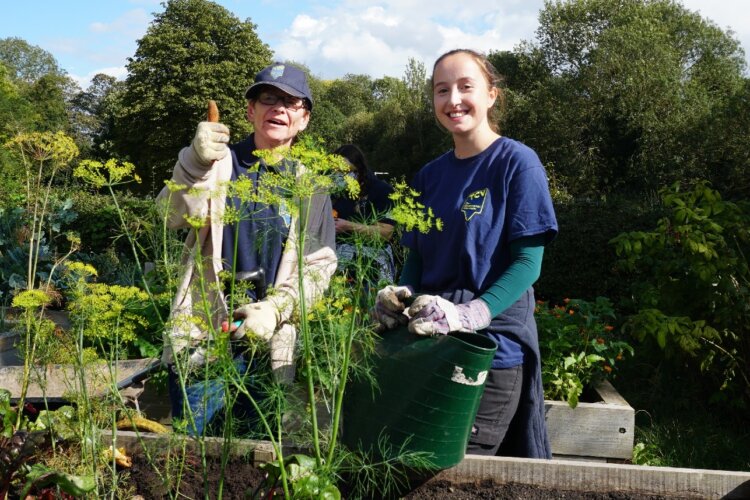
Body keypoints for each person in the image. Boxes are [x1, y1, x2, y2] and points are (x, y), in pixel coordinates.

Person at [373, 49, 558, 459]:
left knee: (459, 470)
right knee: (408, 460)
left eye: (465, 86)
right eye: (442, 90)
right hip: (428, 346)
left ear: (492, 94)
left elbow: (529, 264)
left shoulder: (516, 164)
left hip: (488, 352)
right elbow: (417, 258)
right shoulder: (429, 176)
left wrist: (470, 313)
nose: (453, 99)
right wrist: (400, 294)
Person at [157, 62, 337, 435]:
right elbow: (167, 215)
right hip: (204, 340)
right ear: (250, 111)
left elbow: (318, 268)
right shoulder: (218, 163)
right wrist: (193, 161)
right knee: (195, 463)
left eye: (291, 102)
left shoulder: (312, 187)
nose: (279, 108)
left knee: (253, 462)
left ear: (304, 120)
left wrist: (275, 310)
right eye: (268, 98)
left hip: (268, 346)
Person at [331, 144, 396, 286]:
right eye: (336, 171)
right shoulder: (336, 193)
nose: (341, 176)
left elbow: (386, 232)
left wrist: (348, 226)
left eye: (346, 171)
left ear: (359, 169)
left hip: (373, 263)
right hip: (340, 262)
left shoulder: (382, 191)